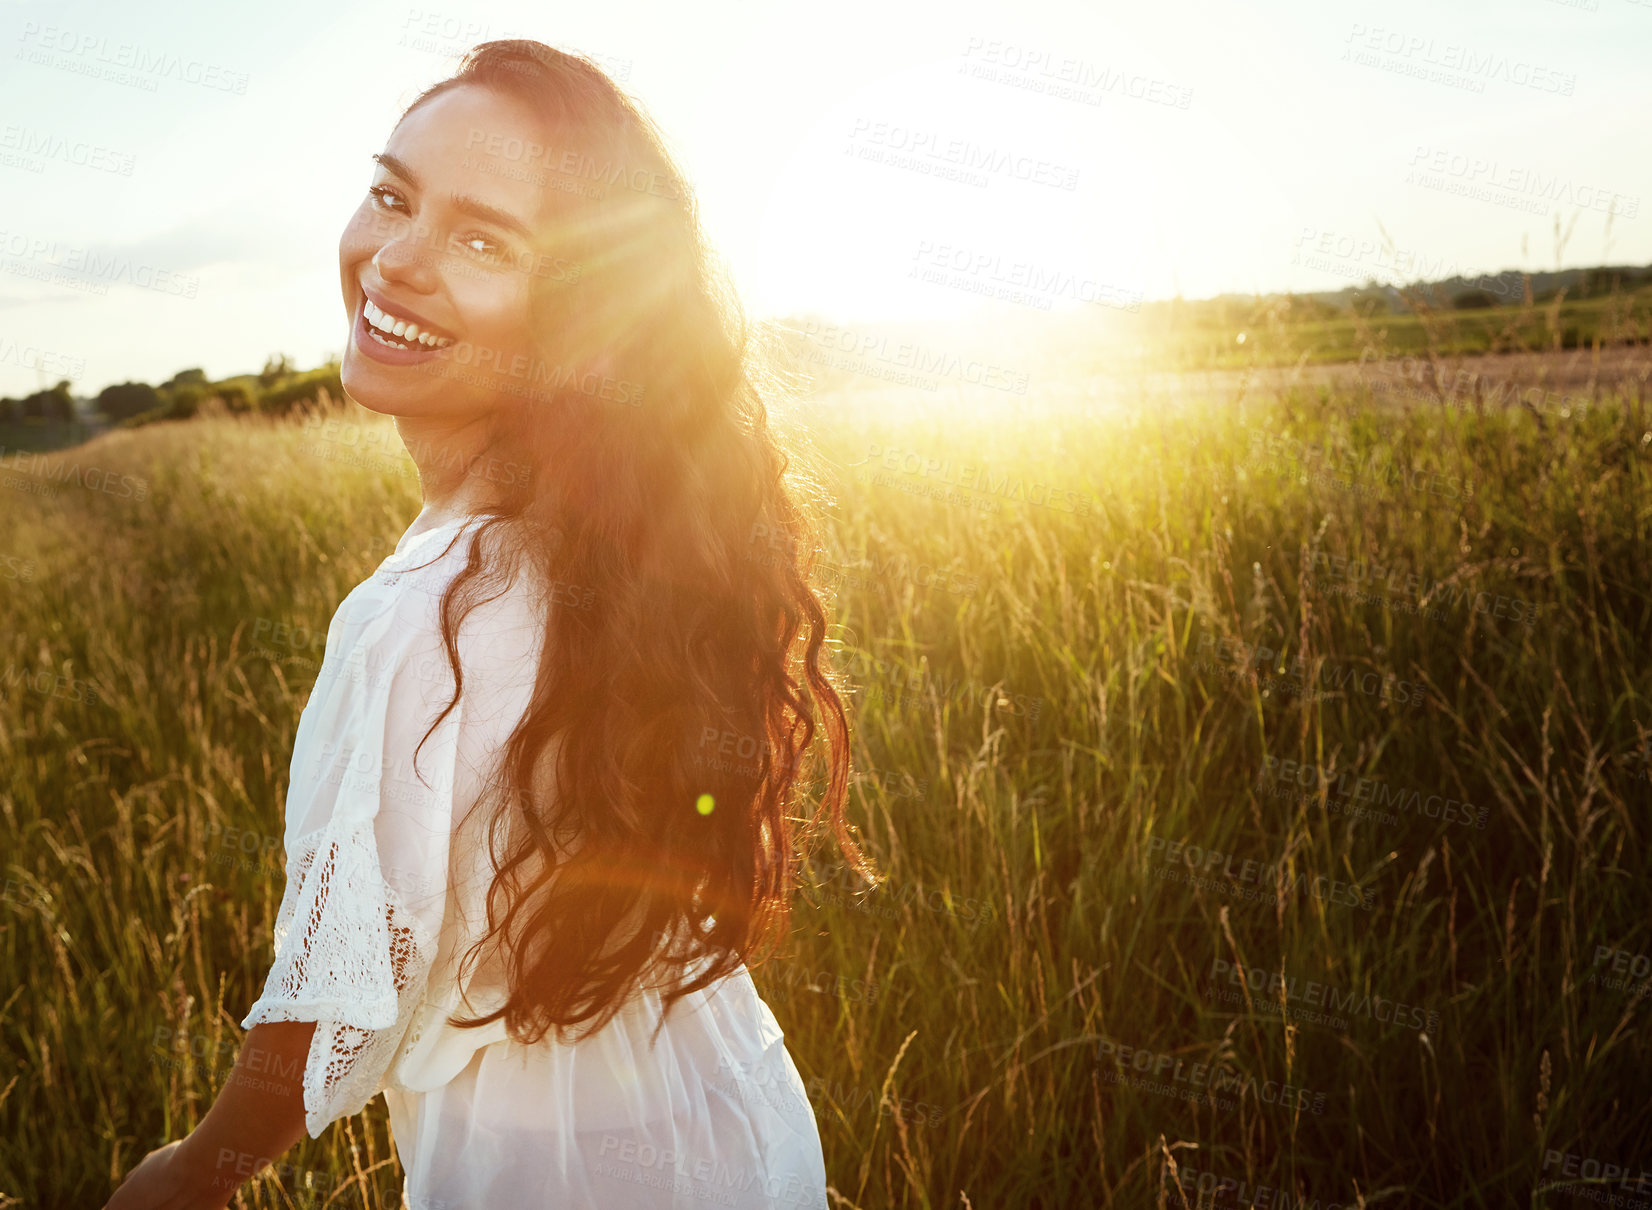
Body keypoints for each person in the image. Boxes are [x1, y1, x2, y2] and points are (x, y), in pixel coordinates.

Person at [105, 39, 868, 1209]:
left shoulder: (419, 618)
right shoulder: (623, 542)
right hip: (734, 1120)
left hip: (553, 1169)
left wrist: (187, 1174)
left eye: (481, 240)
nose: (394, 260)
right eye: (391, 195)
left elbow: (338, 998)